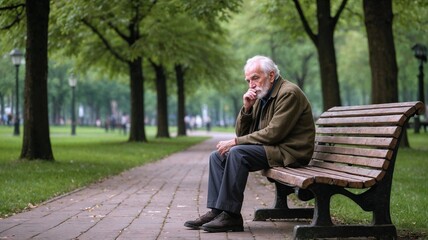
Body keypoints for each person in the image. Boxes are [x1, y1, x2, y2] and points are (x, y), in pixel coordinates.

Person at [184, 55, 316, 233]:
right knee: (218, 155)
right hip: (273, 148)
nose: (251, 84)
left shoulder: (288, 93)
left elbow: (274, 134)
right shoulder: (260, 96)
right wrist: (246, 108)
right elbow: (243, 133)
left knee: (238, 153)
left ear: (271, 75)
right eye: (248, 80)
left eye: (255, 78)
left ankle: (231, 216)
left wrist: (235, 142)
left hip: (290, 152)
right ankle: (217, 210)